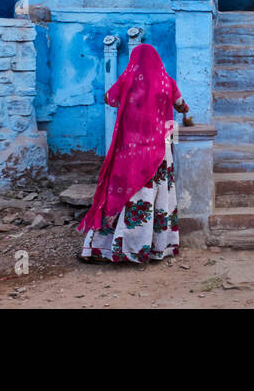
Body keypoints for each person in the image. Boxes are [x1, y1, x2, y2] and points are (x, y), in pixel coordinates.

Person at [78, 43, 191, 264]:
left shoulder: (128, 80)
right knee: (153, 195)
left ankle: (110, 247)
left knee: (124, 190)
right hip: (159, 149)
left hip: (130, 149)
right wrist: (183, 112)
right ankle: (153, 248)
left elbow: (109, 99)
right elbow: (181, 105)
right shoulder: (167, 82)